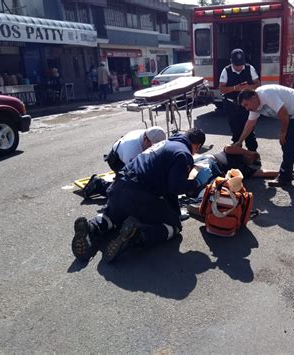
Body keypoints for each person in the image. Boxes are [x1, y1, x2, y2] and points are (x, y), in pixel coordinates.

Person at [71, 128, 212, 262]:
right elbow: (175, 187)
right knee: (174, 226)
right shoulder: (183, 154)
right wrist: (197, 182)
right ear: (197, 146)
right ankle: (138, 235)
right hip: (138, 194)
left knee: (112, 218)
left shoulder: (164, 144)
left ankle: (91, 228)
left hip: (118, 188)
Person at [235, 85, 294, 188]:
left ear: (253, 97)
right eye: (244, 107)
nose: (247, 109)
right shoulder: (255, 105)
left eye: (246, 105)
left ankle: (284, 177)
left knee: (288, 143)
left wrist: (283, 132)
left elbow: (283, 114)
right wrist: (240, 141)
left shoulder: (267, 94)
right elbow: (250, 123)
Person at [82, 126, 167, 199]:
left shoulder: (150, 134)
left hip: (123, 151)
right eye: (153, 146)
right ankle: (99, 184)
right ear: (146, 140)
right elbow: (135, 175)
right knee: (129, 192)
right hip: (116, 160)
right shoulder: (132, 149)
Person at [219, 48, 260, 152]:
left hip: (247, 105)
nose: (238, 68)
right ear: (231, 62)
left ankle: (253, 155)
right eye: (236, 65)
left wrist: (249, 86)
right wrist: (234, 88)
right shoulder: (226, 70)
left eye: (240, 65)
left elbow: (257, 84)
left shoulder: (249, 68)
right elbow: (221, 89)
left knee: (250, 132)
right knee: (236, 132)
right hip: (231, 105)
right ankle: (237, 156)